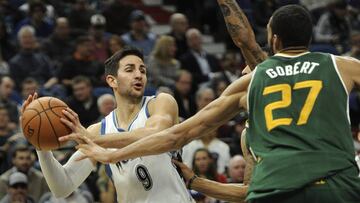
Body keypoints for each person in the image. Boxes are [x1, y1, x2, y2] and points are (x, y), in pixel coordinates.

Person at [68, 2, 360, 203]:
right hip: (336, 183)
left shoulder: (253, 80)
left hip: (276, 188)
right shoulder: (340, 65)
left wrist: (109, 152)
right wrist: (197, 181)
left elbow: (176, 135)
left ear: (273, 40)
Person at [22, 47, 193, 202]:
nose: (139, 74)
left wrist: (93, 139)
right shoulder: (98, 130)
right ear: (112, 81)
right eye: (129, 69)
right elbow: (62, 187)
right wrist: (41, 145)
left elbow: (157, 134)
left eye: (142, 70)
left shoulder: (160, 102)